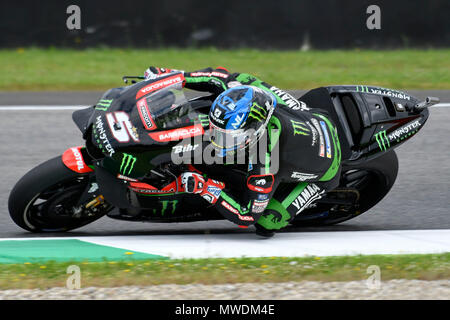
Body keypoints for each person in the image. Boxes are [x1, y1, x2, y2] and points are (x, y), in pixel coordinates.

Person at [144, 66, 342, 237]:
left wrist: (204, 187)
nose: (215, 138)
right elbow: (219, 76)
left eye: (226, 136)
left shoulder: (264, 166)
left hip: (326, 169)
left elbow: (246, 216)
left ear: (253, 133)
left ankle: (295, 194)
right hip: (316, 118)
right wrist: (170, 76)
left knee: (266, 222)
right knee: (240, 79)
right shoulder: (247, 92)